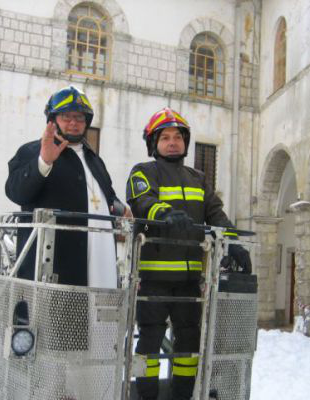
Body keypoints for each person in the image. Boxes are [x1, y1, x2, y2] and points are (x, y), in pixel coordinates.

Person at [126, 107, 252, 400]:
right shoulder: (143, 171)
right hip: (154, 278)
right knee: (150, 341)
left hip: (189, 279)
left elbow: (216, 214)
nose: (173, 142)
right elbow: (143, 201)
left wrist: (235, 244)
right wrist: (166, 213)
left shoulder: (198, 178)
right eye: (166, 137)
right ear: (153, 144)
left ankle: (182, 395)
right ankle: (146, 396)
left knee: (189, 343)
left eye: (178, 137)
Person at [5, 85, 127, 289]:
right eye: (67, 117)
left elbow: (108, 198)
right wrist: (43, 161)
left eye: (80, 118)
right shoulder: (31, 151)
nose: (74, 123)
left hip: (101, 263)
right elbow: (16, 192)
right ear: (52, 121)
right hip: (54, 271)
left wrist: (120, 208)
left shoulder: (95, 160)